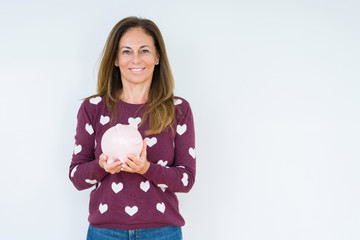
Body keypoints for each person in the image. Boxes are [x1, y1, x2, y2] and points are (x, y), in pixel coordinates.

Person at [69, 16, 196, 240]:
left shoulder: (178, 109)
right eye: (126, 51)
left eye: (144, 50)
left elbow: (186, 180)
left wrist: (146, 168)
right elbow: (77, 177)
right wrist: (102, 167)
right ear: (116, 59)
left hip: (162, 231)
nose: (136, 59)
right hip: (104, 231)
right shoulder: (93, 108)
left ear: (157, 56)